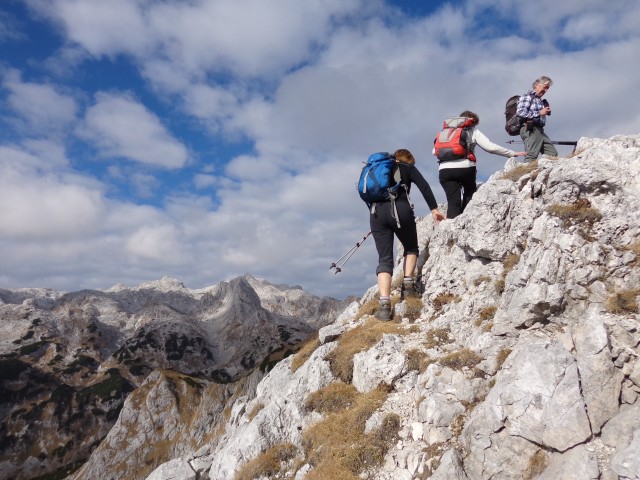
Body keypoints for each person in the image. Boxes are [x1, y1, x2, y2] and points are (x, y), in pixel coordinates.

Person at [370, 149, 445, 321]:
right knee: (411, 247)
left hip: (376, 212)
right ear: (409, 160)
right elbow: (424, 186)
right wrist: (434, 209)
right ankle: (409, 286)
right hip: (401, 209)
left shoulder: (378, 168)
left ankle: (384, 306)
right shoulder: (408, 168)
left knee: (384, 260)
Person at [437, 111, 525, 219]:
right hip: (465, 168)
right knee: (469, 193)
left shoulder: (446, 133)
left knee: (453, 202)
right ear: (472, 122)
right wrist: (512, 153)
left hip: (444, 170)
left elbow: (434, 151)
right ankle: (466, 222)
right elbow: (490, 147)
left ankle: (451, 231)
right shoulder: (473, 131)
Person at [516, 76, 557, 162]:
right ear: (537, 85)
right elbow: (520, 112)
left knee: (552, 154)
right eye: (545, 87)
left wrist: (546, 111)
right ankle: (525, 173)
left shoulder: (539, 100)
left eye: (547, 89)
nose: (546, 90)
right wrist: (539, 113)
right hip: (530, 128)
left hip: (539, 130)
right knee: (532, 155)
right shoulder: (527, 96)